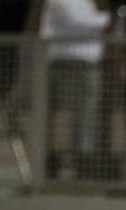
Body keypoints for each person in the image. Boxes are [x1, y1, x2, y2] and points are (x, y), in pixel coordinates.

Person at [41, 0, 111, 181]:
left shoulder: (87, 2)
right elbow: (78, 20)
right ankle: (61, 166)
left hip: (89, 65)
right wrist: (109, 18)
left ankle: (84, 167)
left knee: (86, 119)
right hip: (67, 65)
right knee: (68, 117)